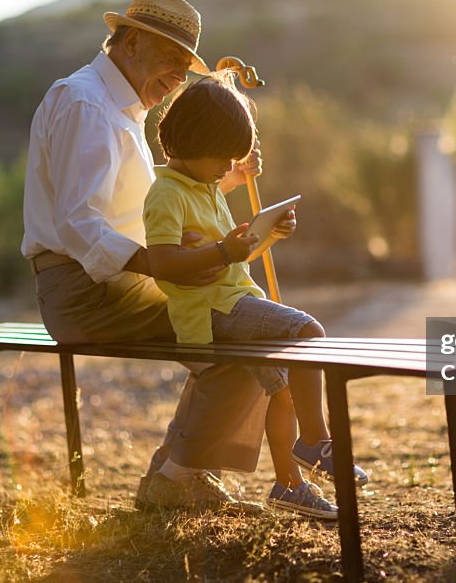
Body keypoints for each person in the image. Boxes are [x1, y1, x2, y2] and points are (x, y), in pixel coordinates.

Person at [21, 0, 270, 511]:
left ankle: (177, 475)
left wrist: (219, 177)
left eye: (187, 68)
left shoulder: (117, 105)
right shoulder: (86, 102)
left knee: (239, 327)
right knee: (242, 330)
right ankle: (177, 479)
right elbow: (79, 222)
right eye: (175, 63)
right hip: (85, 293)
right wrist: (157, 264)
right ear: (132, 42)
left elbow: (144, 209)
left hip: (108, 284)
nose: (180, 79)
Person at [142, 73, 369, 519]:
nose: (229, 168)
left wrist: (265, 237)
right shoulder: (166, 195)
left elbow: (230, 259)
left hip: (230, 299)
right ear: (188, 143)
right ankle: (315, 441)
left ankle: (288, 483)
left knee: (282, 390)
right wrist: (226, 249)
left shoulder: (204, 189)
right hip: (210, 311)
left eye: (233, 159)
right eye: (221, 158)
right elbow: (162, 265)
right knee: (307, 330)